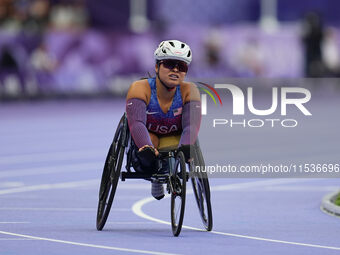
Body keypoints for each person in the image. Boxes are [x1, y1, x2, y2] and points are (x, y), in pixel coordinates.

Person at [126, 40, 201, 200]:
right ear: (157, 67)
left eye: (181, 67)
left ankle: (169, 165)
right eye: (169, 64)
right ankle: (154, 174)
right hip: (148, 137)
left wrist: (186, 146)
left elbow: (191, 125)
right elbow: (136, 123)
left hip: (175, 138)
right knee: (150, 146)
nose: (175, 70)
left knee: (185, 145)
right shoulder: (140, 88)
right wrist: (146, 147)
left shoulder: (190, 90)